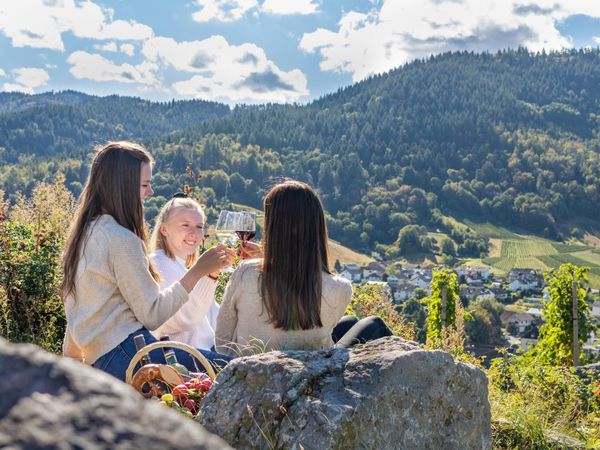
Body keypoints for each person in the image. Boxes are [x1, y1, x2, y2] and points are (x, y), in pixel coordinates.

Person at [61, 141, 235, 381]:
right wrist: (199, 270)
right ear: (121, 186)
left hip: (103, 360)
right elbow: (152, 314)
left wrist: (71, 363)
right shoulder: (121, 239)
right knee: (237, 372)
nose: (150, 192)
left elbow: (78, 311)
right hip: (132, 355)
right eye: (145, 184)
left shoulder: (85, 234)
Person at [215, 180, 392, 356]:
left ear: (273, 227)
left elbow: (222, 341)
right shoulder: (340, 288)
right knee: (374, 324)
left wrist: (265, 259)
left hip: (249, 374)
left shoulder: (246, 272)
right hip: (309, 374)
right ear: (317, 227)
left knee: (349, 322)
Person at [148, 195, 222, 350]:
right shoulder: (159, 263)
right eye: (185, 225)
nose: (194, 233)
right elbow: (187, 320)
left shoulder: (182, 266)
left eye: (199, 226)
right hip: (187, 360)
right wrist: (209, 275)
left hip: (207, 352)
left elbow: (215, 318)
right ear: (164, 229)